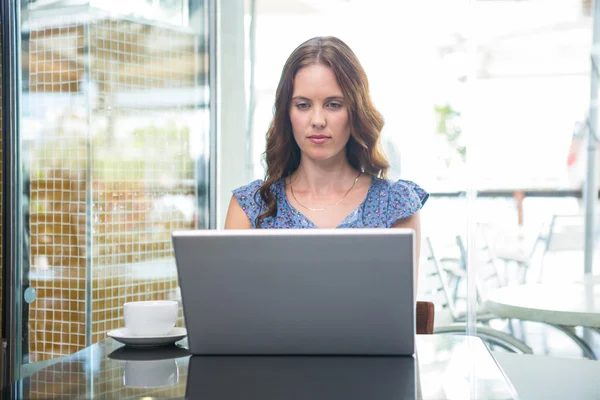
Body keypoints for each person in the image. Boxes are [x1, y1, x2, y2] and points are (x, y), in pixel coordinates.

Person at [225, 36, 428, 266]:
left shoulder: (396, 203)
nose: (318, 120)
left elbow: (399, 302)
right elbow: (231, 301)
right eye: (303, 105)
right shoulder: (251, 206)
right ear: (286, 114)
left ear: (355, 111)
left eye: (333, 104)